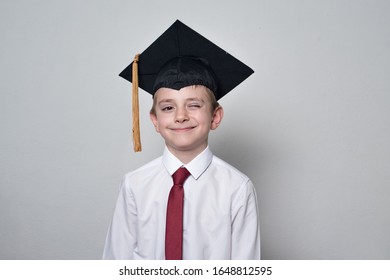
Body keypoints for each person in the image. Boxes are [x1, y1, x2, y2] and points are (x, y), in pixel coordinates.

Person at [102, 20, 260, 260]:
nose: (181, 116)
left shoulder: (236, 188)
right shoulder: (135, 185)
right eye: (167, 107)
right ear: (155, 121)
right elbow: (115, 261)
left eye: (194, 105)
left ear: (215, 116)